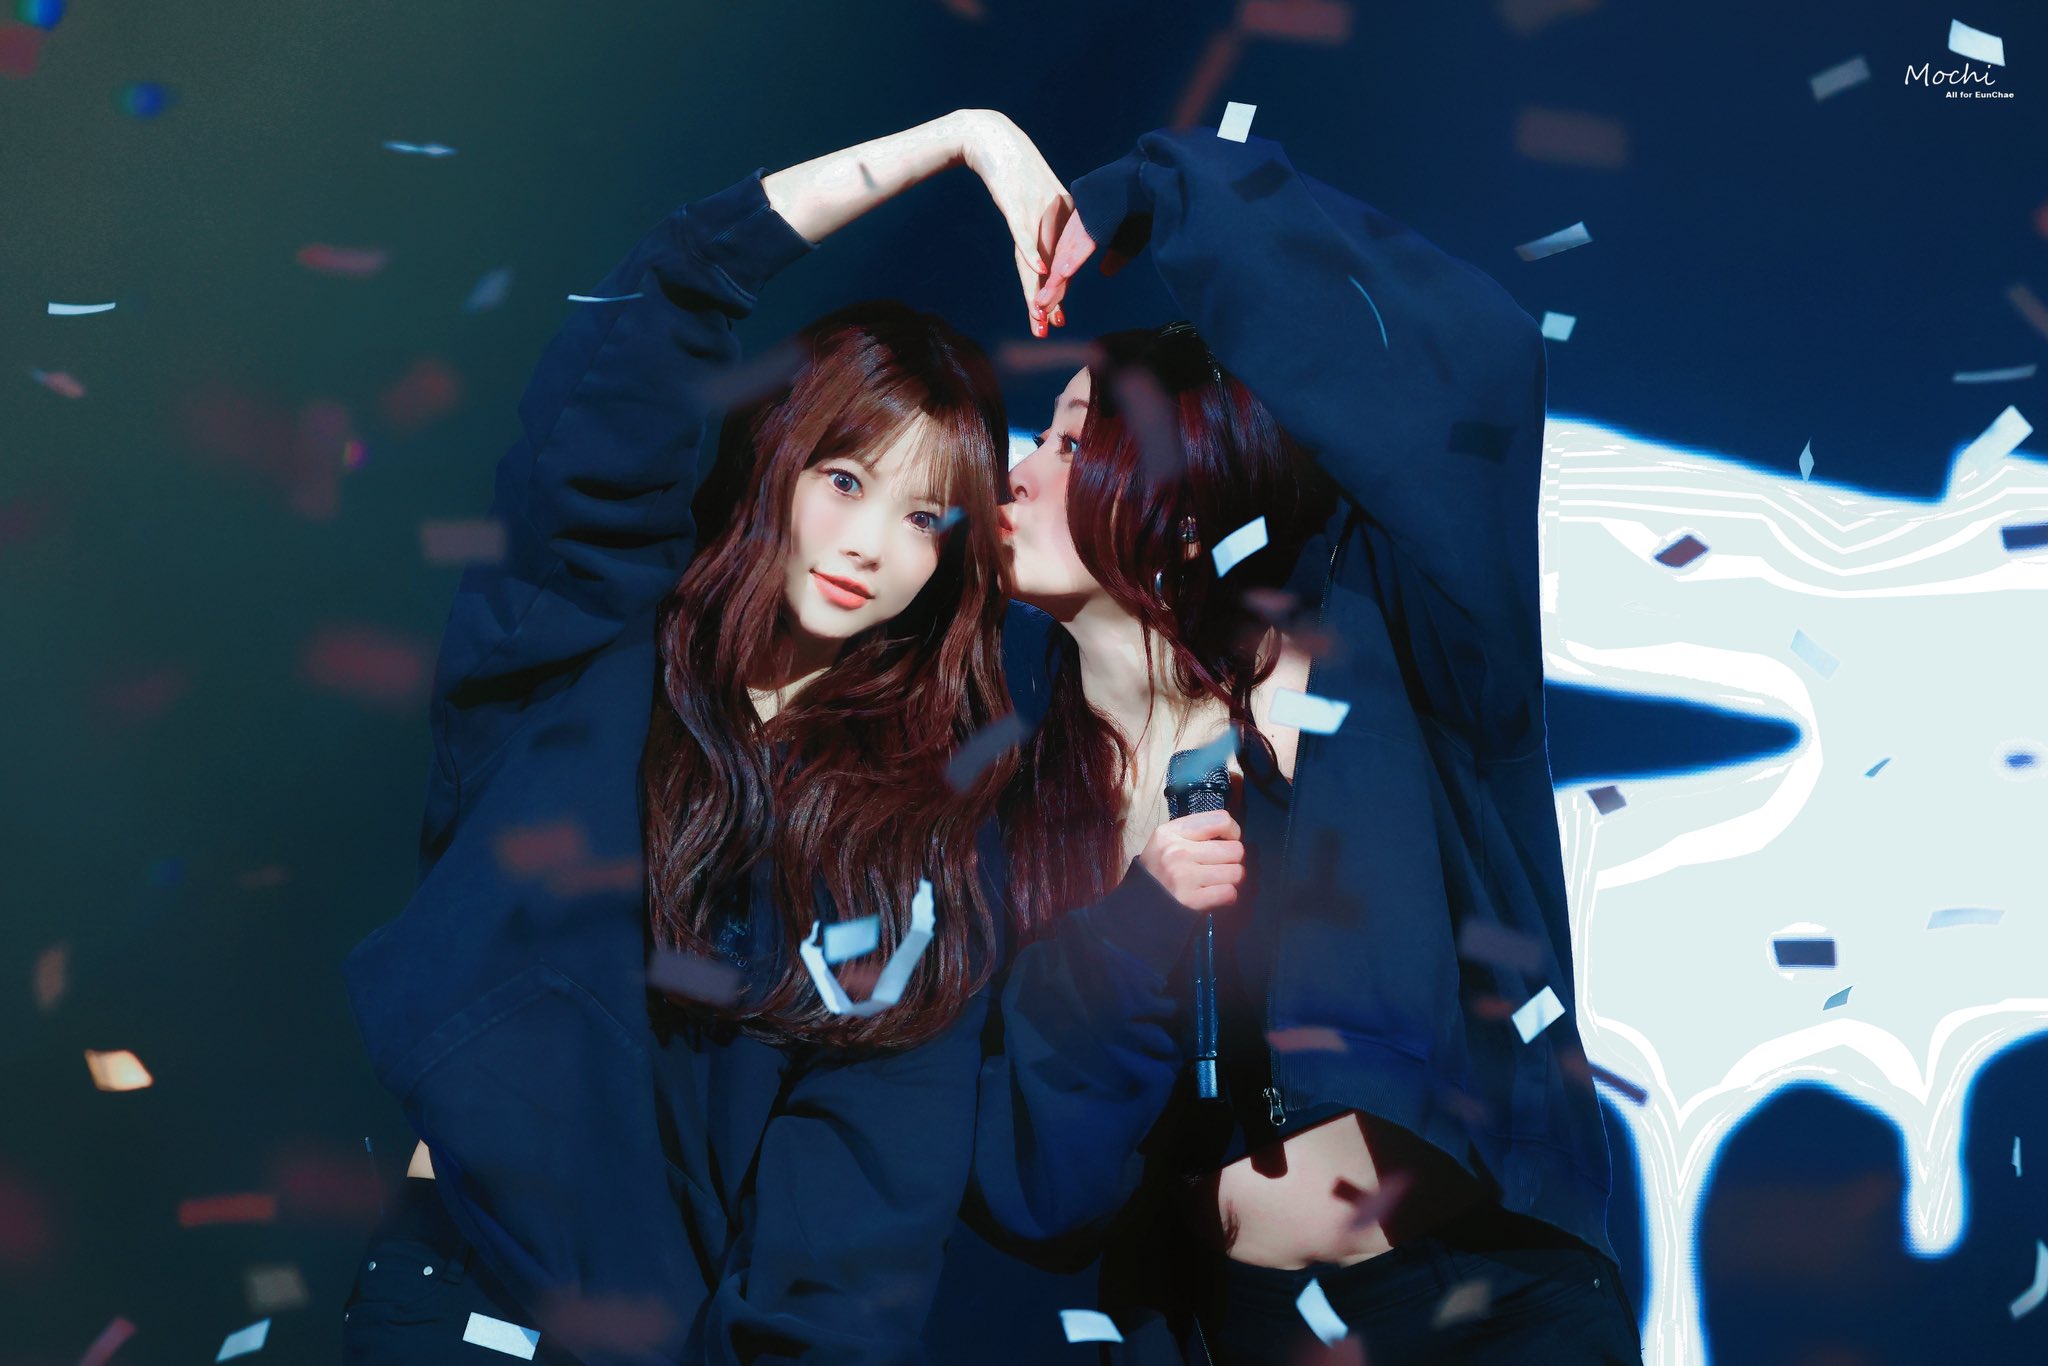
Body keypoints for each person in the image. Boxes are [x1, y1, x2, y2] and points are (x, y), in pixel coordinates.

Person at [338, 109, 1077, 1365]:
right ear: (777, 462)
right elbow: (663, 302)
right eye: (844, 480)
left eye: (924, 518)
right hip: (449, 1297)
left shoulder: (920, 843)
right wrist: (960, 139)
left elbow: (859, 1211)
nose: (867, 546)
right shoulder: (589, 641)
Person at [928, 125, 1643, 1364]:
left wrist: (1162, 196)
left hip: (1485, 1314)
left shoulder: (1380, 654)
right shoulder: (1015, 806)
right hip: (1239, 1333)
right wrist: (1130, 930)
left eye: (1069, 440)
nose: (1019, 474)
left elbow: (1469, 361)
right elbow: (1035, 1190)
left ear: (1179, 491)